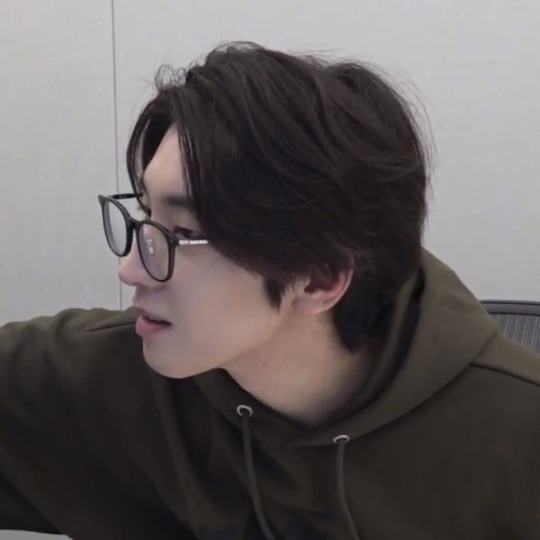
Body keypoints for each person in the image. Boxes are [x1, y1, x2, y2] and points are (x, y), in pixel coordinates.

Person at [1, 41, 539, 540]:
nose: (130, 269)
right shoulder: (112, 374)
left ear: (319, 279)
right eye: (146, 215)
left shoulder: (515, 440)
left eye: (182, 233)